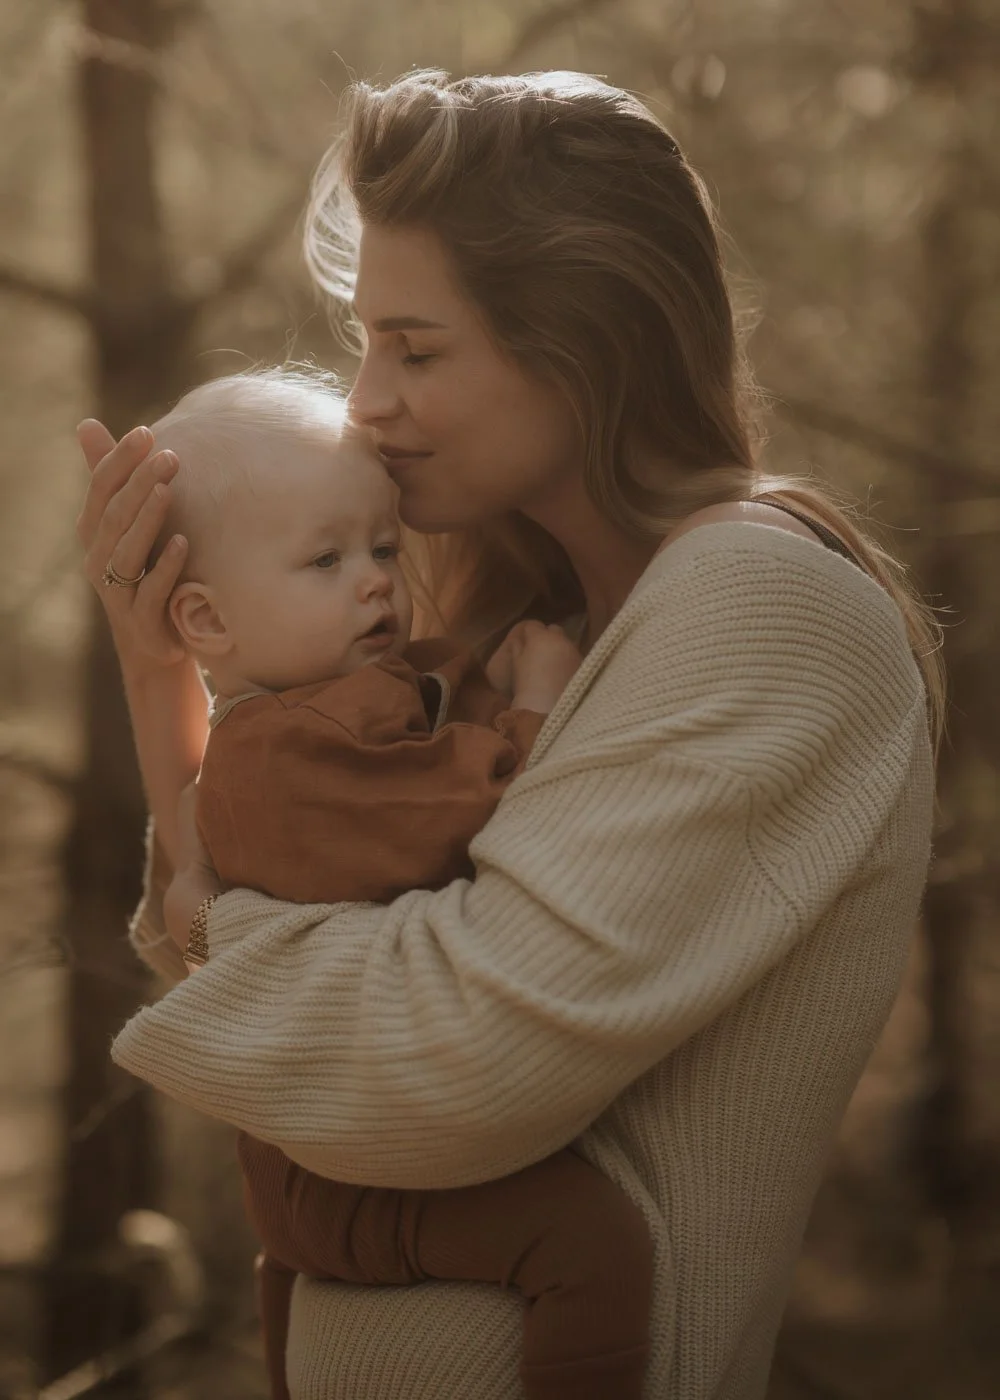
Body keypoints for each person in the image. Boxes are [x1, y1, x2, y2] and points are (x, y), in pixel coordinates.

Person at [77, 70, 942, 1400]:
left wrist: (205, 922)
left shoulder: (761, 606)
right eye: (364, 341)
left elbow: (449, 1060)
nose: (364, 401)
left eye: (415, 349)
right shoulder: (521, 634)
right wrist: (162, 679)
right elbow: (270, 963)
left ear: (583, 346)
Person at [140, 364, 654, 1400]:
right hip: (342, 1163)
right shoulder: (279, 756)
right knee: (590, 1239)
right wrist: (538, 707)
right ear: (205, 620)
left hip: (321, 1151)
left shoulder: (344, 694)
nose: (374, 578)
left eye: (383, 545)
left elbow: (427, 702)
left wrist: (481, 678)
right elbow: (451, 812)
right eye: (324, 559)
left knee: (291, 1284)